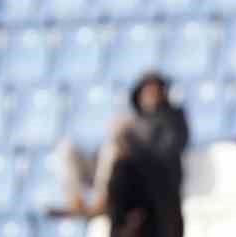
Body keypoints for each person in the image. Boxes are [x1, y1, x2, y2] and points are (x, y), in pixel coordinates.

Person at [58, 73, 190, 220]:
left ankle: (102, 200)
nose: (149, 96)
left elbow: (167, 149)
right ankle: (75, 201)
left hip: (147, 177)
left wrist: (128, 139)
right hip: (121, 173)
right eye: (146, 92)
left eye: (154, 91)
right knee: (67, 149)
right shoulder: (134, 120)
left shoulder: (172, 118)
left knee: (112, 149)